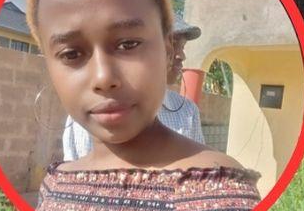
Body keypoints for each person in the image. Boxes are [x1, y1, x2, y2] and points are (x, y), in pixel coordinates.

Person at [27, 0, 260, 211]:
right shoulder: (55, 185)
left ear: (167, 49)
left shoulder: (218, 194)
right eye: (71, 54)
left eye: (128, 44)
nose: (103, 78)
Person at [62, 17, 206, 160]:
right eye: (173, 44)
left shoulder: (186, 112)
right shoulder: (90, 113)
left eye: (182, 47)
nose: (181, 56)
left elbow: (199, 171)